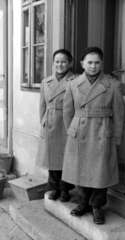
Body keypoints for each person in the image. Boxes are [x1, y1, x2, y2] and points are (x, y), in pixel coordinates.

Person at [62, 46, 125, 224]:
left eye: (97, 62)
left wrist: (117, 137)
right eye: (89, 62)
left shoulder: (112, 84)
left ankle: (97, 206)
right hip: (79, 130)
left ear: (102, 63)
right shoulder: (72, 84)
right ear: (82, 64)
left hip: (102, 132)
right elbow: (67, 112)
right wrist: (72, 131)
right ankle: (83, 203)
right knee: (79, 169)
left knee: (100, 171)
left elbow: (119, 114)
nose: (93, 66)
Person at [36, 49, 76, 202]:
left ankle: (65, 189)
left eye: (63, 61)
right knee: (52, 159)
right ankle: (54, 188)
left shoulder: (76, 80)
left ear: (70, 63)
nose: (60, 64)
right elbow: (42, 105)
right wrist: (43, 121)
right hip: (51, 123)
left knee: (67, 159)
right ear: (53, 63)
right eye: (57, 61)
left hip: (67, 123)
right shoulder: (46, 82)